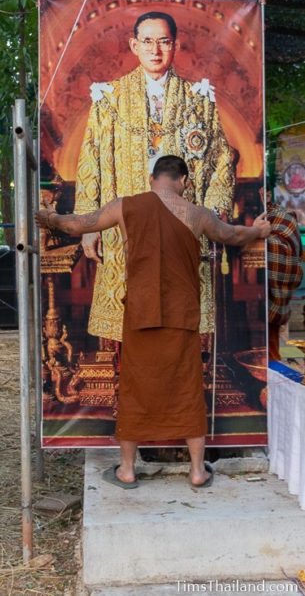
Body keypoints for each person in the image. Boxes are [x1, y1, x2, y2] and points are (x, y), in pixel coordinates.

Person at [36, 156, 270, 488]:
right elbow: (231, 235)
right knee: (188, 388)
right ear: (185, 181)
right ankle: (197, 471)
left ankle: (128, 470)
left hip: (141, 315)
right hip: (181, 315)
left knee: (135, 388)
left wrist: (49, 217)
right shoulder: (197, 214)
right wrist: (260, 229)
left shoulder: (126, 206)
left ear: (150, 178)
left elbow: (79, 224)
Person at [75, 11, 235, 342]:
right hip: (129, 225)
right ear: (134, 45)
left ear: (174, 45)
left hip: (183, 225)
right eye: (147, 41)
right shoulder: (109, 98)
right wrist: (88, 226)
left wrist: (214, 215)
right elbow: (89, 161)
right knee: (133, 315)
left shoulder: (198, 99)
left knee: (180, 318)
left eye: (163, 41)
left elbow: (221, 161)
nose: (155, 50)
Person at [261, 186, 303, 360]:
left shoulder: (283, 217)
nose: (261, 197)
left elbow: (290, 254)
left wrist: (257, 236)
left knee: (273, 351)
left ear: (269, 194)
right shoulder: (246, 215)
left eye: (263, 193)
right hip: (252, 296)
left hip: (274, 293)